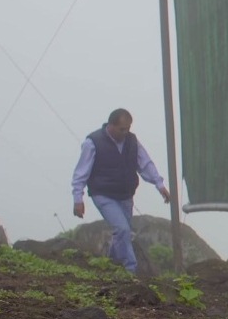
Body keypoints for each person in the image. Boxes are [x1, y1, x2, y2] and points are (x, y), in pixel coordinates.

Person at [71, 108, 171, 274]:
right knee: (122, 229)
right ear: (110, 125)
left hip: (125, 195)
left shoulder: (132, 141)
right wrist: (78, 199)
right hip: (103, 194)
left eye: (128, 128)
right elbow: (81, 172)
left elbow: (145, 164)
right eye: (122, 129)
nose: (125, 132)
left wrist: (159, 185)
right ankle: (131, 270)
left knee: (124, 233)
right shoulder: (93, 142)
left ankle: (110, 263)